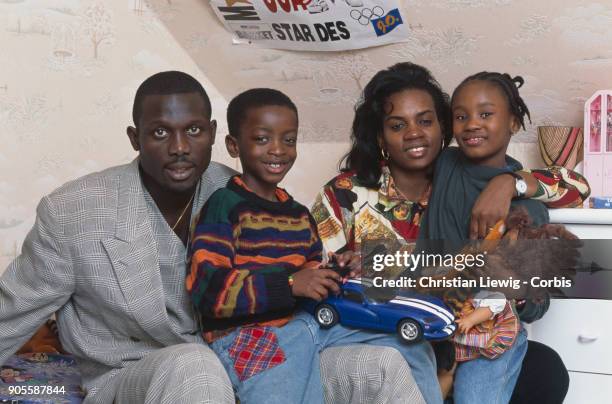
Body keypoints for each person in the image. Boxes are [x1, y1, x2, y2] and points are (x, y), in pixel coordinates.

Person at [0, 71, 424, 404]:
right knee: (194, 366)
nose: (181, 147)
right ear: (135, 137)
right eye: (161, 132)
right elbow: (14, 308)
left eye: (194, 131)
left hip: (251, 357)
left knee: (380, 364)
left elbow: (294, 266)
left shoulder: (239, 191)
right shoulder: (75, 211)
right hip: (138, 375)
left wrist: (333, 270)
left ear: (215, 134)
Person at [311, 63, 589, 403]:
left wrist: (509, 184)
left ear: (442, 128)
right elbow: (318, 281)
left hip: (466, 328)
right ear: (381, 136)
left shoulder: (465, 173)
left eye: (426, 121)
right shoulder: (346, 193)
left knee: (544, 368)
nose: (414, 133)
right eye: (397, 125)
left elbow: (576, 186)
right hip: (388, 335)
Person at [187, 88, 440, 403]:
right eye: (262, 139)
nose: (277, 150)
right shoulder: (225, 205)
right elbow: (208, 289)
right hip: (248, 339)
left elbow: (310, 279)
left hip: (304, 326)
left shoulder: (298, 215)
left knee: (409, 342)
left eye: (288, 140)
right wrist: (290, 284)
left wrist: (337, 270)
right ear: (234, 146)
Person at [420, 71, 589, 403]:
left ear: (513, 121)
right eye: (461, 116)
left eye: (486, 114)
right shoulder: (446, 163)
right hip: (437, 322)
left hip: (490, 332)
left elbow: (579, 186)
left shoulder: (528, 208)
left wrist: (510, 183)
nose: (471, 124)